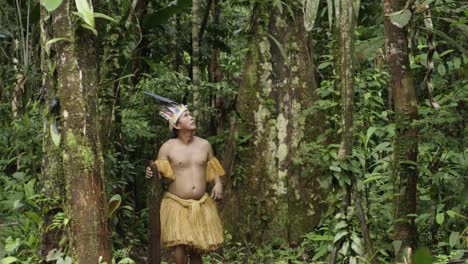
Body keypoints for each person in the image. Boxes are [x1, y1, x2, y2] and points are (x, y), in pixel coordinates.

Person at [145, 93, 224, 264]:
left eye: (190, 114)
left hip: (201, 204)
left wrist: (218, 183)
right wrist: (151, 173)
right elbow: (160, 172)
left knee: (197, 248)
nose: (192, 117)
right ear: (177, 125)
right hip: (177, 203)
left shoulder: (204, 145)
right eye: (186, 116)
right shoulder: (167, 148)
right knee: (180, 245)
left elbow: (213, 167)